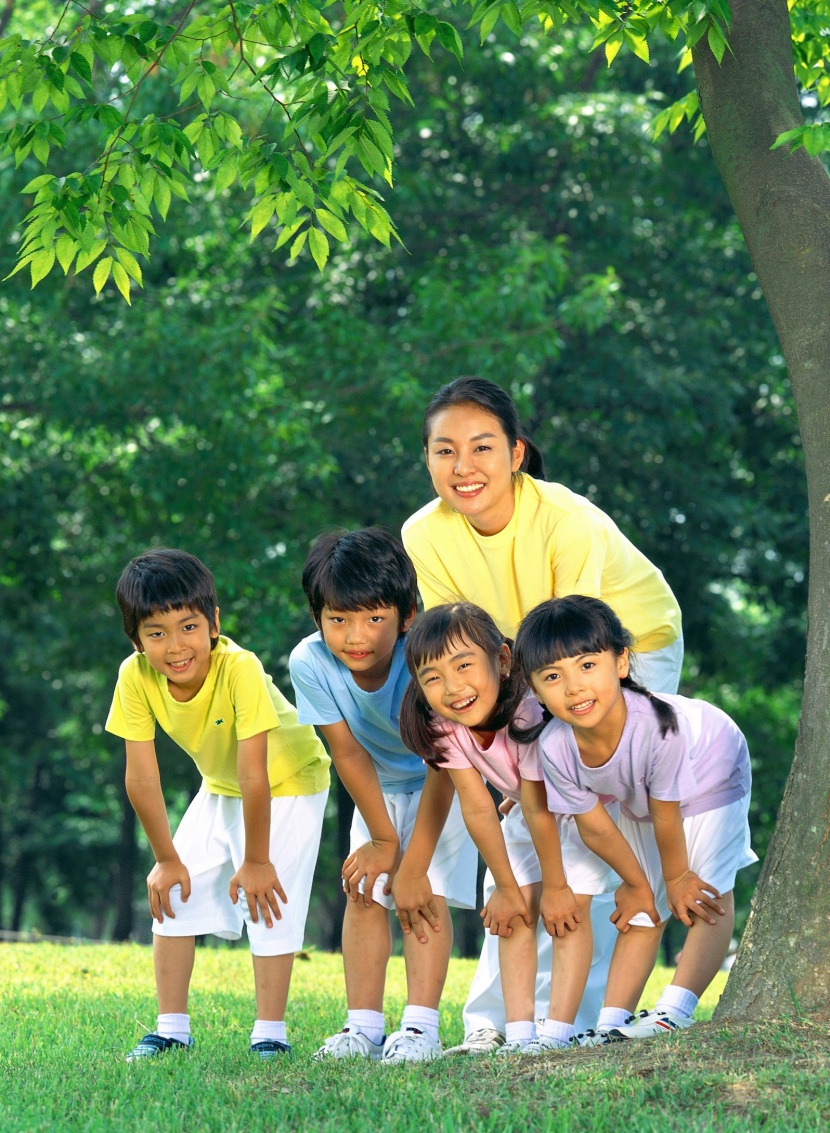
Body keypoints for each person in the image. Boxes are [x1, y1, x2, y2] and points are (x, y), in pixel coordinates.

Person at [400, 375, 684, 1054]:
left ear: (517, 452)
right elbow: (457, 652)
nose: (463, 467)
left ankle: (578, 1018)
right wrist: (514, 778)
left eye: (481, 447)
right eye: (445, 451)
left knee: (596, 824)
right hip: (517, 673)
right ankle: (495, 1020)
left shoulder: (567, 520)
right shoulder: (424, 534)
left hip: (616, 654)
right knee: (527, 830)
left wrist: (544, 773)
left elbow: (576, 652)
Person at [106, 548, 330, 1061]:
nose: (175, 645)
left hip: (291, 779)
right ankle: (171, 1030)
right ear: (136, 641)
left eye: (188, 626)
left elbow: (257, 772)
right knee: (173, 894)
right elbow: (141, 776)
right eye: (155, 633)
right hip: (222, 782)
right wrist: (165, 859)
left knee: (269, 898)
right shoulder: (134, 676)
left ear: (213, 623)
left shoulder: (240, 667)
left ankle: (270, 1033)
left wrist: (255, 860)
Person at [512, 595, 756, 1039]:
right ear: (534, 689)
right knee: (641, 908)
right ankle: (612, 1024)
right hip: (641, 799)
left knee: (704, 894)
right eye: (552, 676)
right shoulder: (555, 747)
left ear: (621, 662)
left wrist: (678, 875)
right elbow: (594, 825)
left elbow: (667, 816)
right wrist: (637, 883)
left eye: (587, 665)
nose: (573, 687)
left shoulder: (658, 728)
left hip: (711, 769)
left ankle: (675, 1010)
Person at [289, 529, 477, 1064]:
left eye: (374, 618)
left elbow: (447, 762)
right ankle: (363, 1026)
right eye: (338, 620)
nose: (356, 636)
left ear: (408, 614)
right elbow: (346, 753)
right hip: (375, 788)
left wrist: (411, 861)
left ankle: (420, 1028)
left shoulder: (426, 657)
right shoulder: (309, 664)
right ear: (317, 617)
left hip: (446, 781)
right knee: (363, 890)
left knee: (424, 892)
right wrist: (381, 837)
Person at [398, 603, 620, 1055]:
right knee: (511, 911)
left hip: (583, 811)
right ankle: (520, 1037)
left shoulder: (527, 712)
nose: (453, 687)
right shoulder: (444, 724)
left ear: (501, 659)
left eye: (464, 666)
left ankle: (556, 1034)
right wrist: (505, 885)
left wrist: (554, 885)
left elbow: (543, 809)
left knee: (568, 909)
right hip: (526, 809)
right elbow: (478, 809)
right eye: (433, 677)